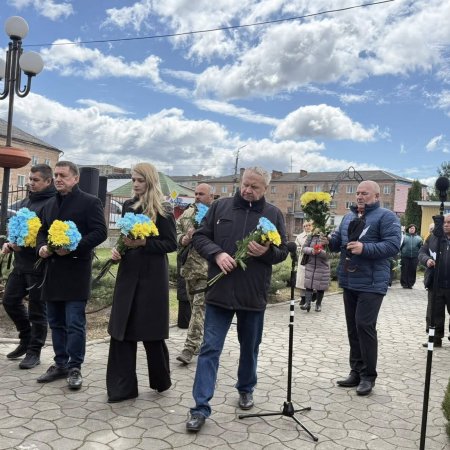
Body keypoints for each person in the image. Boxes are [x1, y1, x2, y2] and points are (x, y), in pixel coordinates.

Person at [185, 167, 288, 432]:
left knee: (250, 346)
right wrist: (217, 254)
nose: (247, 190)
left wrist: (266, 252)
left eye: (254, 187)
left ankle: (246, 388)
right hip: (219, 293)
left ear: (265, 188)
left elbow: (283, 251)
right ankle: (200, 408)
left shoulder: (273, 214)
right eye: (245, 184)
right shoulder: (220, 207)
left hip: (252, 294)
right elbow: (200, 237)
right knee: (210, 349)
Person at [106, 163, 177, 403]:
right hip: (128, 272)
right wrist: (118, 251)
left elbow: (171, 243)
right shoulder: (128, 205)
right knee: (122, 327)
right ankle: (122, 388)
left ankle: (160, 380)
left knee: (151, 330)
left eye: (140, 180)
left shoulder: (163, 209)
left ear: (150, 181)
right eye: (133, 179)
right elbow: (125, 238)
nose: (135, 184)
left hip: (152, 276)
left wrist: (145, 243)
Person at [36, 161, 107, 389]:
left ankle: (75, 367)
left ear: (75, 178)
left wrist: (74, 247)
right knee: (56, 322)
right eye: (56, 175)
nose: (58, 179)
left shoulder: (90, 202)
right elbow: (42, 231)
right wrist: (42, 247)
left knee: (74, 323)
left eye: (63, 175)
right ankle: (60, 364)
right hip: (53, 273)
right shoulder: (49, 203)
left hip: (76, 271)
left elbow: (100, 232)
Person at [326, 180, 401, 396]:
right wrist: (327, 239)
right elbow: (337, 242)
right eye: (358, 193)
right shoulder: (348, 217)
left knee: (364, 325)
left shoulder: (387, 217)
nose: (359, 196)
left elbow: (393, 245)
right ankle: (356, 371)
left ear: (377, 196)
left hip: (372, 282)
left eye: (364, 193)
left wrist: (364, 248)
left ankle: (368, 376)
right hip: (349, 280)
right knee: (353, 327)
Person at [2, 164, 56, 369]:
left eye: (35, 180)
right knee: (9, 301)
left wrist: (26, 245)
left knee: (37, 311)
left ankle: (34, 351)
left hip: (39, 266)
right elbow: (18, 230)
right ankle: (26, 338)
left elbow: (50, 236)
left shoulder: (52, 203)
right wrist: (10, 243)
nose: (31, 183)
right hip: (20, 263)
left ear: (48, 181)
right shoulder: (27, 201)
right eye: (30, 179)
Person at [175, 183, 214, 365]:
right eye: (196, 193)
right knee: (195, 309)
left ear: (211, 197)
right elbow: (176, 231)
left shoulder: (215, 215)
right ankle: (203, 341)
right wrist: (182, 239)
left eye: (201, 194)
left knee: (199, 308)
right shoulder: (187, 213)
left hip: (207, 270)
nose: (197, 196)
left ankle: (189, 348)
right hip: (189, 269)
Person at [419, 214, 450, 348]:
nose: (446, 225)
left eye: (449, 222)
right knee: (434, 313)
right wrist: (427, 260)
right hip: (435, 283)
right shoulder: (433, 238)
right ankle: (435, 338)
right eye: (444, 222)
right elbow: (422, 252)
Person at [301, 232, 330, 312]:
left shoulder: (327, 236)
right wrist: (312, 251)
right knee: (309, 284)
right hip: (310, 264)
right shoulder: (311, 236)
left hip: (322, 266)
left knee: (320, 286)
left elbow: (330, 254)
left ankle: (318, 304)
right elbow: (304, 248)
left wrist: (320, 252)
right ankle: (307, 303)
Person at [295, 221, 313, 308]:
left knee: (311, 279)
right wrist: (300, 249)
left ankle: (312, 296)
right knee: (302, 280)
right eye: (305, 226)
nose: (307, 227)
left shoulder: (315, 236)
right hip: (303, 260)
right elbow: (296, 247)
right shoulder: (299, 236)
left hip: (313, 259)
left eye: (309, 225)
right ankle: (303, 298)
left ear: (312, 226)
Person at [400, 224, 422, 289]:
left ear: (415, 230)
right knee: (404, 270)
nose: (412, 229)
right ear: (408, 229)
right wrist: (402, 253)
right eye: (410, 228)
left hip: (415, 257)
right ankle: (404, 284)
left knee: (412, 270)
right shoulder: (404, 237)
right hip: (405, 256)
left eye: (413, 228)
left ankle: (410, 284)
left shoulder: (419, 238)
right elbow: (400, 246)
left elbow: (421, 248)